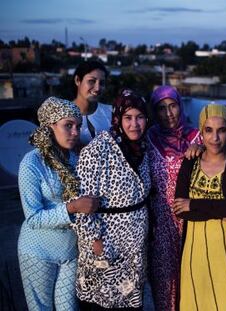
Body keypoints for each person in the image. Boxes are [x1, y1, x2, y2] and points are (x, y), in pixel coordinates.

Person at [174, 104, 226, 311]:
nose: (215, 138)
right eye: (208, 130)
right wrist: (222, 210)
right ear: (201, 132)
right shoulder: (191, 161)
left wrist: (194, 204)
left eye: (222, 130)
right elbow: (180, 209)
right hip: (196, 251)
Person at [18, 97, 98, 311]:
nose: (75, 132)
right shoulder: (32, 163)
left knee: (68, 308)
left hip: (70, 251)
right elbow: (33, 217)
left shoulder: (76, 159)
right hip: (37, 251)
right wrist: (72, 208)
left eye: (78, 126)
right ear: (50, 126)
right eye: (68, 125)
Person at [73, 89, 151, 310]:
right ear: (117, 118)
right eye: (128, 118)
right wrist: (96, 241)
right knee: (103, 300)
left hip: (134, 248)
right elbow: (82, 201)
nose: (134, 124)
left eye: (140, 117)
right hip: (106, 242)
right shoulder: (98, 150)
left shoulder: (142, 149)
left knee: (131, 301)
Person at [147, 85, 201, 310]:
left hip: (193, 219)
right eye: (161, 108)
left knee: (194, 278)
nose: (168, 114)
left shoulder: (197, 137)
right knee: (164, 282)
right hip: (160, 223)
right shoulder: (148, 138)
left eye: (173, 106)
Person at [73, 60, 111, 145]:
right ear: (77, 80)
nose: (97, 88)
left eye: (101, 83)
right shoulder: (62, 114)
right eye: (91, 81)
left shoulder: (111, 113)